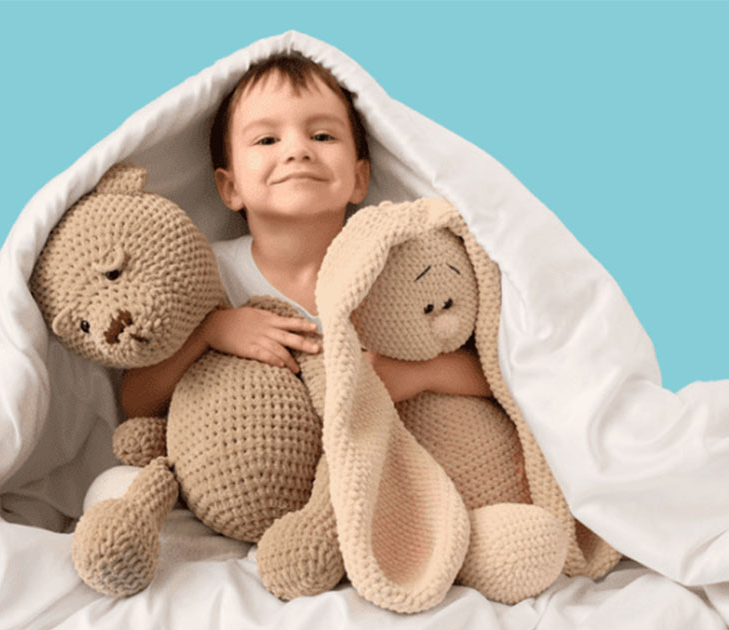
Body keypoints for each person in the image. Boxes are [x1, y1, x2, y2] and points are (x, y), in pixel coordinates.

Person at [121, 52, 489, 419]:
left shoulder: (394, 268)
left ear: (359, 179)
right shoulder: (209, 275)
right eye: (267, 140)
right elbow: (135, 401)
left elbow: (495, 379)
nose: (298, 151)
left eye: (322, 135)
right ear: (230, 187)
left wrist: (418, 374)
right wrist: (210, 332)